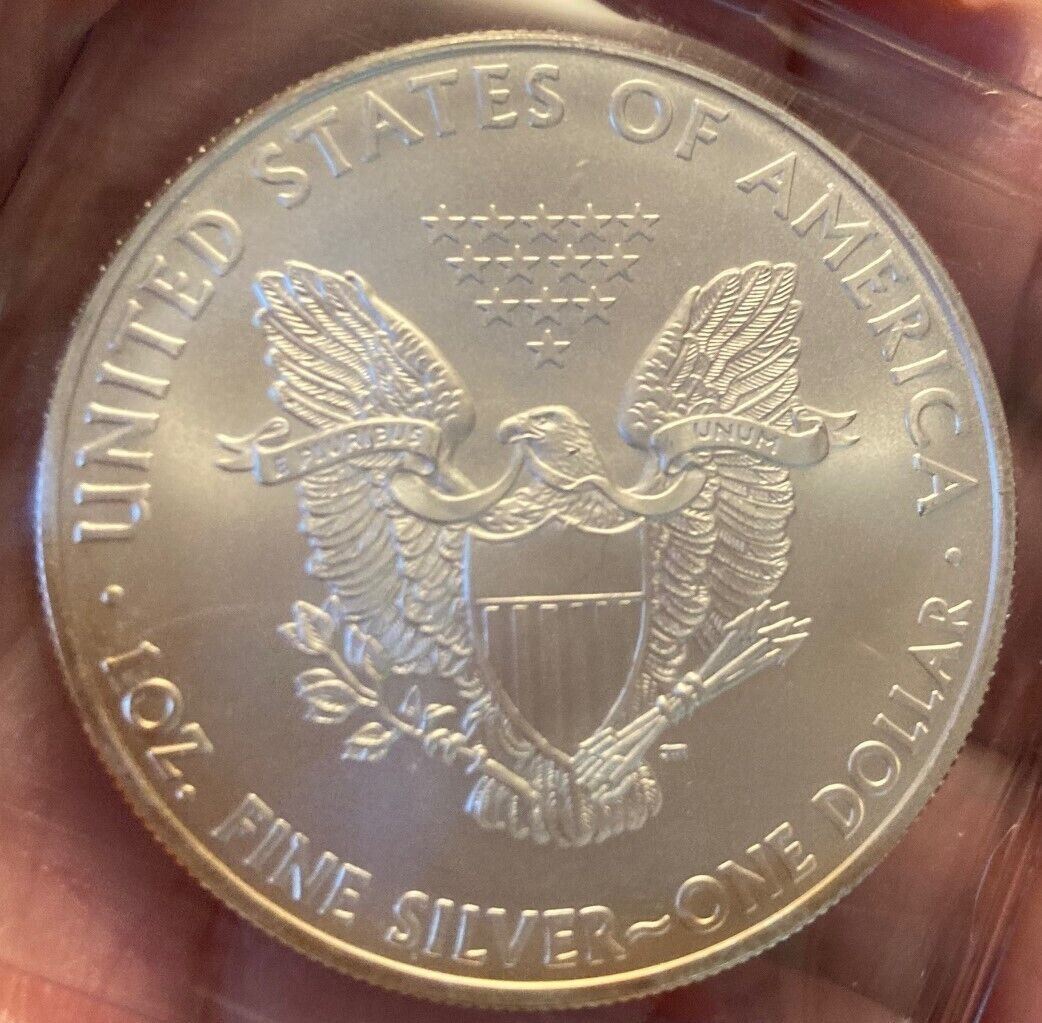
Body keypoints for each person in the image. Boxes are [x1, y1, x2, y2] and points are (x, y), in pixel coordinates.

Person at [0, 1, 1038, 1019]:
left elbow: (753, 313)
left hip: (597, 770)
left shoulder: (649, 498)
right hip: (493, 768)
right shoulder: (467, 500)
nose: (539, 457)